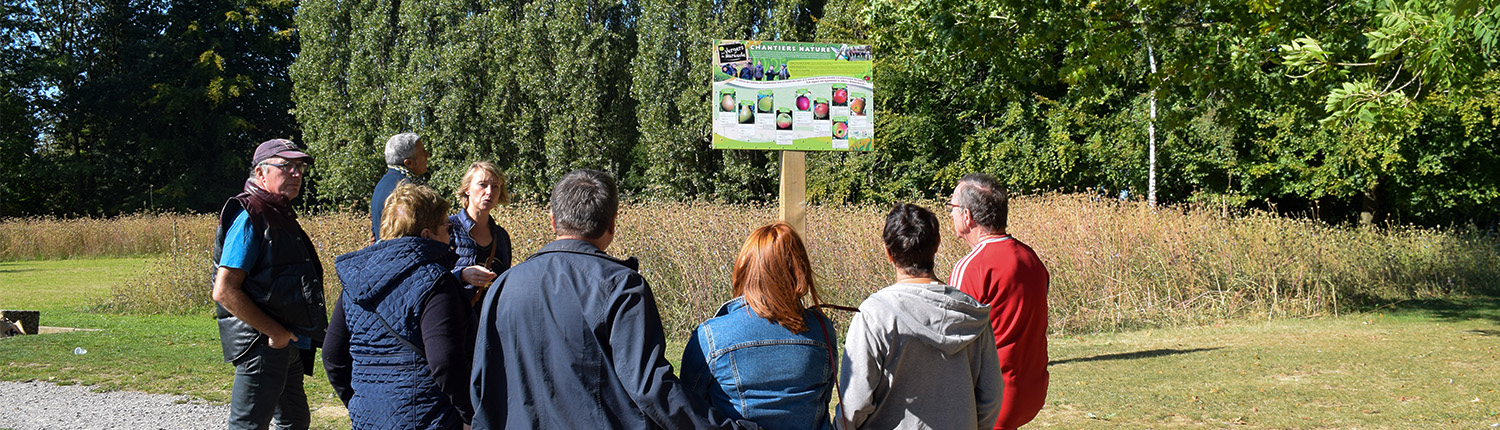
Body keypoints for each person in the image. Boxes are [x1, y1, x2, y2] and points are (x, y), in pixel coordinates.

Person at [470, 169, 757, 430]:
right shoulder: (621, 286)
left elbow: (482, 386)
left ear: (553, 220)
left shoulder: (503, 286)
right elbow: (650, 387)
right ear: (612, 225)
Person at [324, 183, 475, 429]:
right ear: (427, 235)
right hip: (427, 417)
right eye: (446, 227)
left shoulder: (356, 280)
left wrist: (358, 404)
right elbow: (445, 361)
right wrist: (469, 414)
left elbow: (332, 356)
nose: (451, 236)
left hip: (368, 418)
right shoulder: (435, 281)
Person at [838, 203, 1003, 430]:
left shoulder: (875, 315)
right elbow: (991, 397)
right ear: (936, 245)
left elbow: (854, 402)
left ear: (888, 252)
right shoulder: (970, 312)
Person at [211, 138, 327, 430]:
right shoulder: (251, 214)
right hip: (261, 342)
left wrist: (285, 336)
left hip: (284, 340)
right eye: (286, 166)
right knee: (249, 425)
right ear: (261, 173)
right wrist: (275, 333)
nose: (297, 174)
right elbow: (224, 290)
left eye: (299, 167)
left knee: (295, 420)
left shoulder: (278, 211)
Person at [681, 222, 837, 430]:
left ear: (745, 267)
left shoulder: (711, 336)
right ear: (799, 269)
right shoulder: (822, 330)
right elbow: (824, 398)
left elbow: (689, 406)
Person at [947, 173, 1050, 430]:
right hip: (1030, 391)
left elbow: (952, 342)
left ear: (967, 216)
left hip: (991, 399)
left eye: (951, 207)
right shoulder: (1031, 258)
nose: (949, 214)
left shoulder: (971, 267)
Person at [448, 161, 511, 307]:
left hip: (493, 318)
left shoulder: (501, 236)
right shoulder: (448, 228)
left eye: (495, 186)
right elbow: (430, 277)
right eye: (482, 184)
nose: (489, 192)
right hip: (458, 317)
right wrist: (461, 275)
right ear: (467, 189)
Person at [371, 132, 431, 242]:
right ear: (409, 163)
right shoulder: (406, 190)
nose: (427, 155)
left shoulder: (381, 185)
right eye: (423, 152)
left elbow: (374, 234)